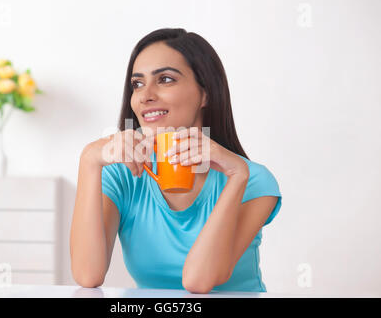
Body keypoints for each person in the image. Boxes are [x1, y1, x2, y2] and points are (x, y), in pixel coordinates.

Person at [70, 28, 282, 294]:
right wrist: (89, 160)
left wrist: (238, 175)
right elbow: (88, 274)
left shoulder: (253, 180)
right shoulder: (121, 174)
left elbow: (198, 282)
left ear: (205, 94)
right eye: (137, 84)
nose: (145, 95)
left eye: (165, 79)